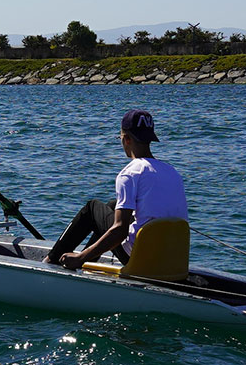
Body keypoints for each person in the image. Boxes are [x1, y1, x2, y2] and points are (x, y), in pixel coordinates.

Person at [48, 109, 188, 269]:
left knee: (92, 208)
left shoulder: (130, 173)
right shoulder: (172, 171)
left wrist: (80, 257)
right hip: (170, 258)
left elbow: (120, 231)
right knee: (113, 205)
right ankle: (91, 261)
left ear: (126, 139)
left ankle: (51, 261)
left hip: (139, 259)